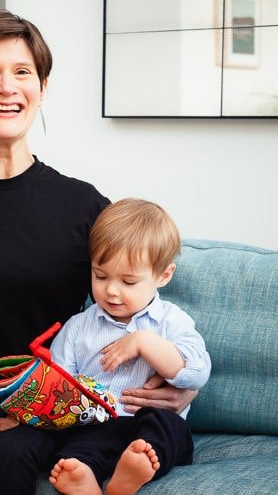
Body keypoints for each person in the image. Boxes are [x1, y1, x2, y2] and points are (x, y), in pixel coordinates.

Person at [0, 10, 198, 495]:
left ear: (42, 88)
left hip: (51, 404)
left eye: (22, 72)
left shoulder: (84, 207)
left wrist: (180, 385)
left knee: (3, 457)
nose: (6, 87)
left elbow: (141, 302)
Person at [47, 198, 211, 495]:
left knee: (168, 427)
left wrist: (144, 342)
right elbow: (57, 383)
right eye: (100, 276)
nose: (111, 290)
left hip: (150, 424)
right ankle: (84, 478)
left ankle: (132, 470)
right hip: (96, 424)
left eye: (128, 281)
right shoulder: (78, 327)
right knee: (75, 451)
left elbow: (196, 372)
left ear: (163, 276)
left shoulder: (171, 321)